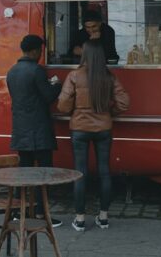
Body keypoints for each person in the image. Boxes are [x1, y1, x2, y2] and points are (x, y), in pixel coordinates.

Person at [58, 40, 129, 231]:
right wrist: (108, 114)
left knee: (80, 172)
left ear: (85, 55)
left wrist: (76, 111)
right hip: (104, 128)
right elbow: (123, 102)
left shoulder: (74, 75)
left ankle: (80, 219)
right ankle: (103, 217)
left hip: (79, 129)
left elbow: (63, 105)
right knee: (105, 172)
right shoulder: (109, 77)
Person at [6, 34, 63, 227]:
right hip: (38, 130)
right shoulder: (36, 71)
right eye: (40, 50)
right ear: (34, 50)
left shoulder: (12, 72)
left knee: (24, 173)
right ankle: (40, 213)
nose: (41, 54)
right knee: (43, 173)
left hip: (21, 129)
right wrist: (57, 85)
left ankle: (18, 212)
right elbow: (47, 97)